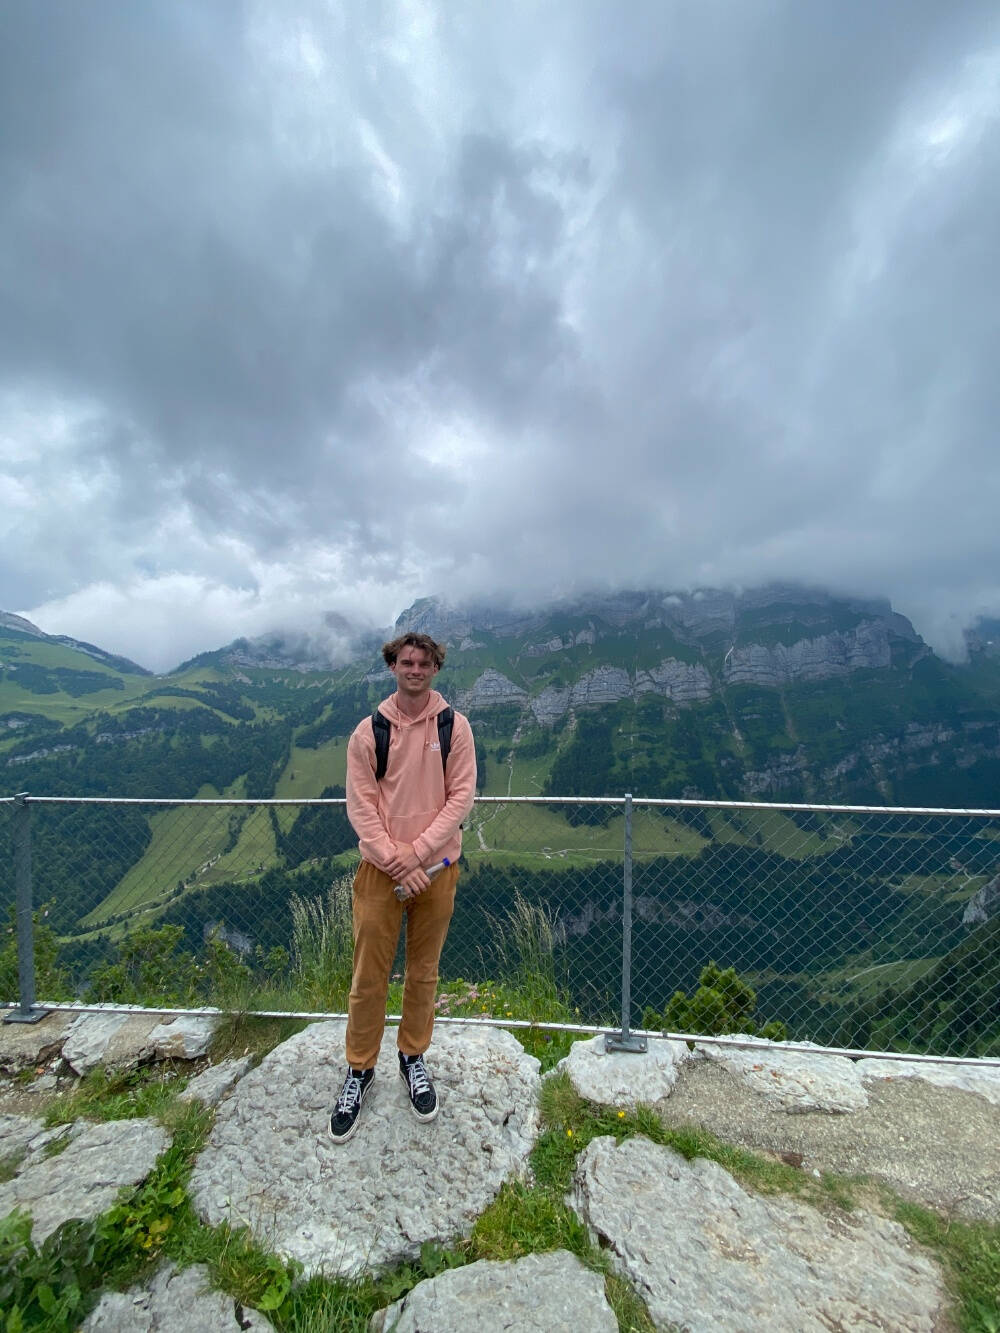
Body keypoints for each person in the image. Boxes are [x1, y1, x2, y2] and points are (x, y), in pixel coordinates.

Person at [328, 631, 477, 1143]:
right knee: (368, 974)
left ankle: (412, 1058)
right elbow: (361, 808)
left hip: (434, 870)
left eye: (424, 663)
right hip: (383, 871)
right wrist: (398, 861)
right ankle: (359, 1068)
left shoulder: (454, 727)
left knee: (423, 971)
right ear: (393, 666)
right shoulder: (368, 733)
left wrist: (415, 856)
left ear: (436, 668)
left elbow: (460, 798)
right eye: (406, 662)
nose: (415, 669)